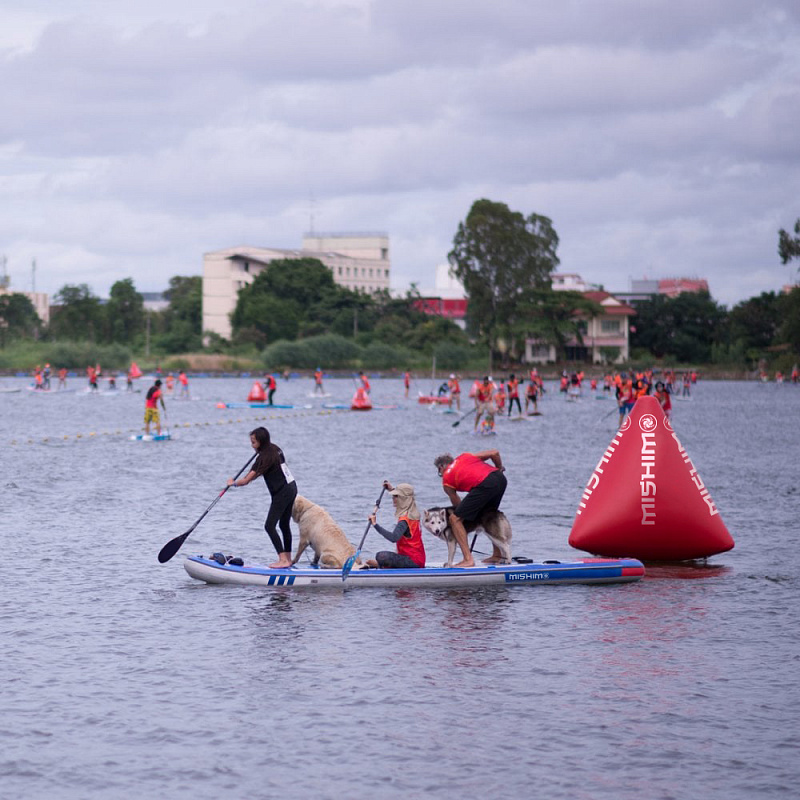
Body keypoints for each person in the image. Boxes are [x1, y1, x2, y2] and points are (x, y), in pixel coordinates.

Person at [227, 427, 297, 569]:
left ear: (261, 442)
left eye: (253, 442)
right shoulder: (275, 449)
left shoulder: (264, 458)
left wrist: (233, 483)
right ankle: (288, 559)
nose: (252, 445)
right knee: (284, 525)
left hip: (282, 493)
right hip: (292, 488)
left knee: (269, 526)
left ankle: (283, 560)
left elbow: (246, 480)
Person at [434, 450, 507, 568]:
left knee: (454, 519)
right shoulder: (465, 457)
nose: (441, 474)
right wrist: (499, 468)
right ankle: (497, 555)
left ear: (441, 467)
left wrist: (465, 519)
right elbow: (495, 453)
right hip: (500, 479)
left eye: (439, 472)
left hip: (485, 484)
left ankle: (468, 559)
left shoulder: (446, 479)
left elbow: (457, 506)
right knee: (489, 515)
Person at [365, 481, 426, 569]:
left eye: (396, 496)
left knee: (380, 556)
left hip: (412, 561)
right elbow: (408, 497)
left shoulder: (404, 520)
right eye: (393, 496)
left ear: (403, 499)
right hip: (418, 559)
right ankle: (384, 565)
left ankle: (379, 565)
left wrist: (375, 524)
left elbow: (393, 538)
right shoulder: (413, 512)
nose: (393, 499)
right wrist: (391, 489)